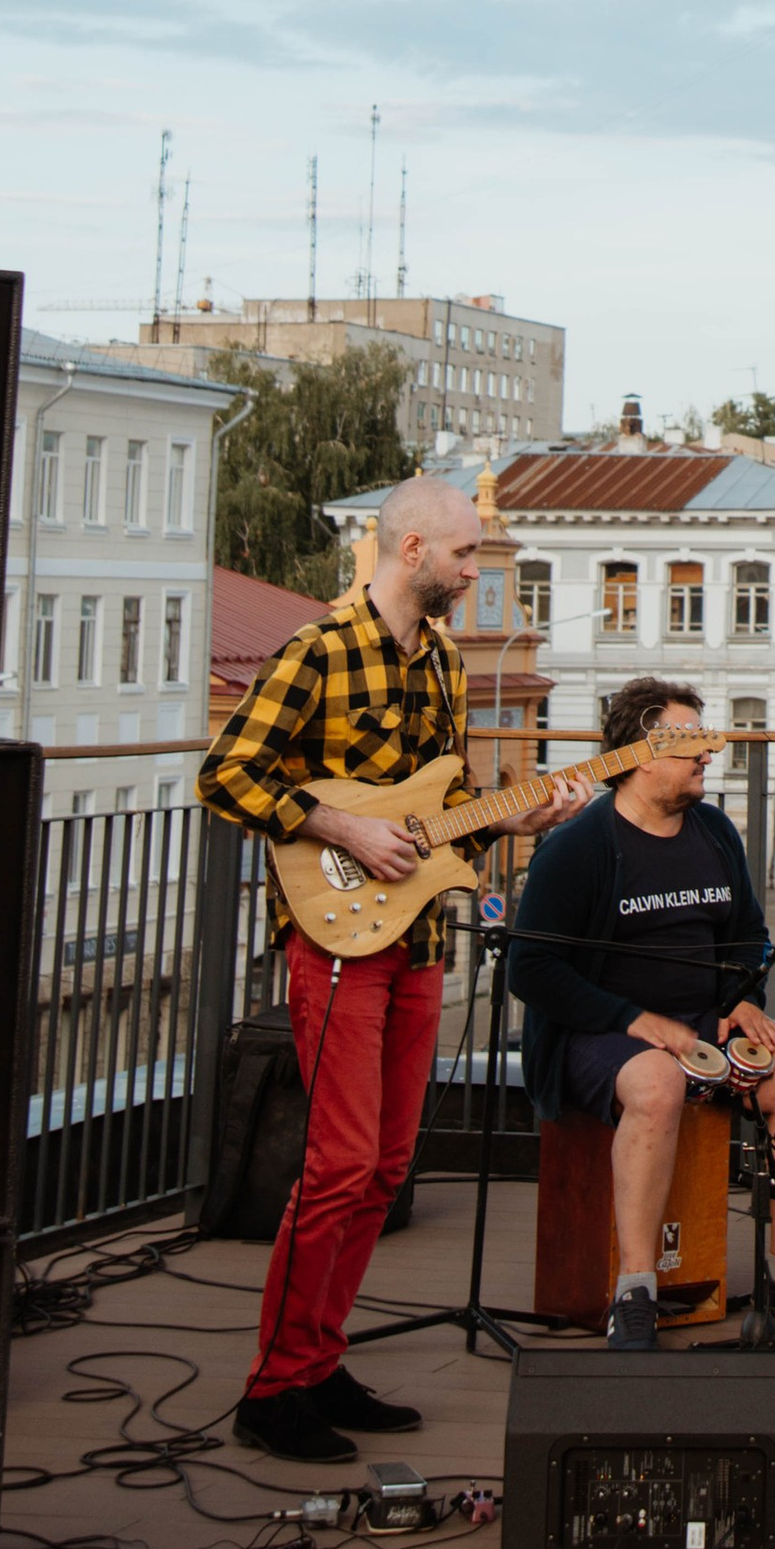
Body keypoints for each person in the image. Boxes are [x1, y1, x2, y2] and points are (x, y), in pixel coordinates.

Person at [198, 473, 587, 1465]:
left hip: (415, 939)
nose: (475, 568)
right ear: (411, 550)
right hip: (333, 941)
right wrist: (340, 827)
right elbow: (227, 772)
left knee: (381, 1166)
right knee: (333, 1166)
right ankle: (272, 1386)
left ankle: (320, 1360)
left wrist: (522, 814)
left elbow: (440, 802)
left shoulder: (443, 662)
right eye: (464, 553)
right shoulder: (317, 651)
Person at [510, 678, 775, 1342]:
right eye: (690, 742)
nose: (708, 754)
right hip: (601, 1032)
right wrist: (632, 1020)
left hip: (700, 1024)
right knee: (657, 1080)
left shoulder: (714, 830)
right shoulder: (578, 846)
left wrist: (741, 1001)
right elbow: (530, 969)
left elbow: (750, 937)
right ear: (642, 754)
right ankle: (634, 1292)